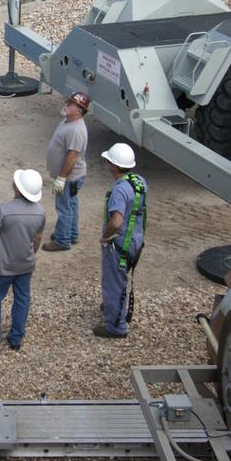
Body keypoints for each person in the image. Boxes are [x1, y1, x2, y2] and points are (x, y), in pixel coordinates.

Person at [0, 169, 46, 353]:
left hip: (2, 266)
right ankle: (16, 338)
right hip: (25, 265)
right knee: (22, 300)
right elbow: (37, 239)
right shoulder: (40, 212)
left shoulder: (4, 210)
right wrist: (31, 254)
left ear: (19, 189)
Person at [95, 143, 146, 339]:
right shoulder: (139, 181)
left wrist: (105, 236)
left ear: (113, 166)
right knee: (121, 279)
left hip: (120, 244)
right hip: (135, 241)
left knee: (114, 282)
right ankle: (114, 307)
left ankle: (116, 326)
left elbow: (116, 221)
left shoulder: (119, 190)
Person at [41, 91, 90, 252]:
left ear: (79, 111)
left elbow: (72, 156)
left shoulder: (76, 130)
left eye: (71, 104)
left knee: (64, 207)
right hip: (71, 177)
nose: (66, 104)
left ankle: (63, 240)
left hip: (69, 177)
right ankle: (71, 234)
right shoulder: (68, 121)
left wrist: (62, 178)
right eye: (68, 101)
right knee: (72, 204)